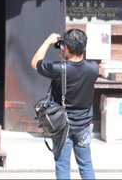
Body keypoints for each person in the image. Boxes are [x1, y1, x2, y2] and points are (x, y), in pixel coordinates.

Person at [32, 29, 99, 180]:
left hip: (62, 126)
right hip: (84, 124)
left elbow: (35, 62)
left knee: (62, 166)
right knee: (86, 165)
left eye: (63, 46)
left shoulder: (58, 69)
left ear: (67, 47)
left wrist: (48, 41)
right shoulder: (94, 68)